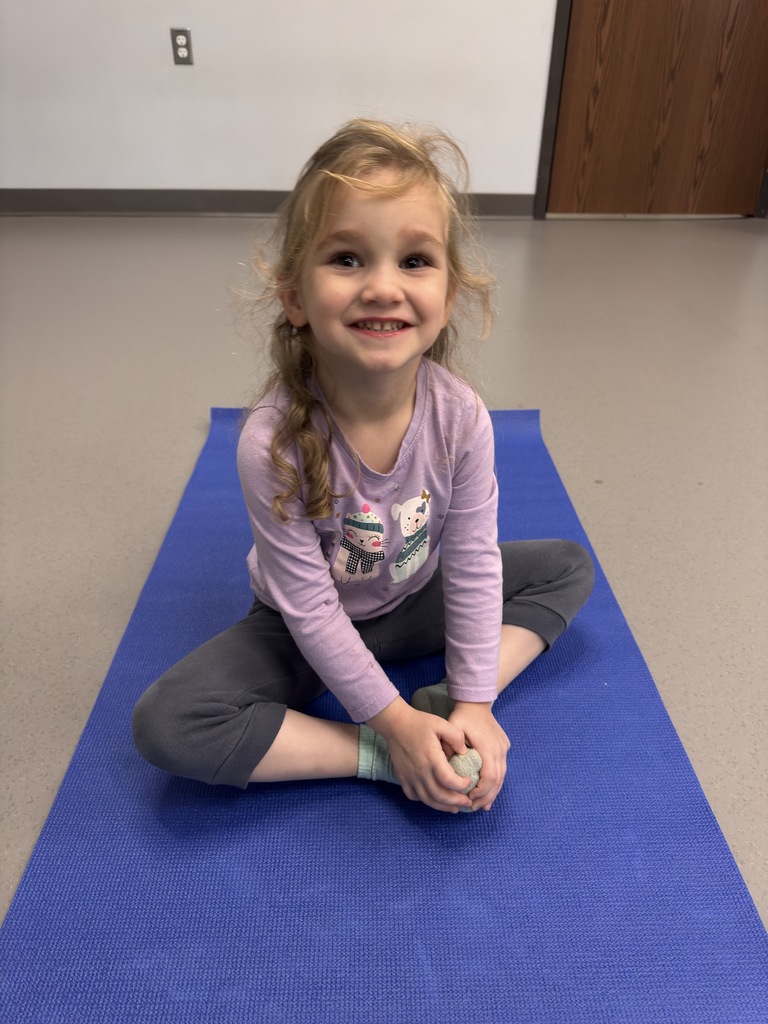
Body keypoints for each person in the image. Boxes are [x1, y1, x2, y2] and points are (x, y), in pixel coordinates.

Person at [132, 119, 594, 814]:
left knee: (567, 566)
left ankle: (445, 709)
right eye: (347, 258)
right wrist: (394, 729)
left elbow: (469, 563)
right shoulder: (271, 442)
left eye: (414, 261)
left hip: (412, 600)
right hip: (301, 625)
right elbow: (313, 610)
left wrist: (473, 701)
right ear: (294, 297)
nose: (383, 286)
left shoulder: (461, 417)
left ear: (449, 294)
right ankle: (379, 755)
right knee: (167, 723)